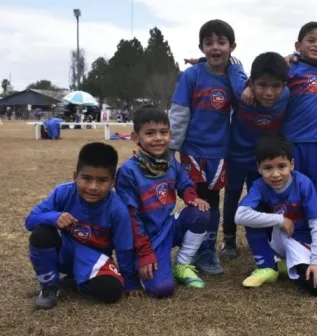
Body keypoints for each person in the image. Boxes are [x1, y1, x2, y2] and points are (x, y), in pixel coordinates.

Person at [169, 19, 247, 275]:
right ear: (201, 47)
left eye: (221, 42)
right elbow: (179, 113)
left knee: (213, 201)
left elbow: (242, 105)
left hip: (220, 152)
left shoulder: (234, 77)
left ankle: (207, 251)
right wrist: (171, 148)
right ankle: (192, 250)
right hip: (193, 150)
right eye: (209, 43)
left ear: (232, 46)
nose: (215, 48)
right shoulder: (192, 75)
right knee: (197, 199)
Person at [25, 142, 135, 309]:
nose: (93, 187)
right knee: (41, 234)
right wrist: (55, 217)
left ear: (112, 182)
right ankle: (49, 287)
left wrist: (130, 281)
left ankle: (74, 281)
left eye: (102, 180)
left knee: (110, 292)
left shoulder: (117, 209)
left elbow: (124, 248)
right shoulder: (63, 192)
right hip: (65, 253)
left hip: (94, 259)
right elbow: (30, 220)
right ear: (75, 176)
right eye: (86, 178)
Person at [116, 106, 211, 298]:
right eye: (150, 133)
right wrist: (144, 253)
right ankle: (141, 268)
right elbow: (130, 218)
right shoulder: (128, 171)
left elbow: (185, 184)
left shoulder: (171, 162)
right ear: (136, 137)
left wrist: (192, 198)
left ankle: (182, 264)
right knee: (162, 290)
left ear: (170, 134)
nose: (158, 138)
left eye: (163, 132)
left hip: (167, 227)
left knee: (201, 212)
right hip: (144, 238)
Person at [234, 132, 317, 295]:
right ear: (259, 168)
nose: (275, 174)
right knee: (254, 214)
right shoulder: (259, 185)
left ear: (291, 164)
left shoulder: (303, 183)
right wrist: (279, 219)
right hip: (279, 237)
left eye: (281, 166)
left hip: (304, 241)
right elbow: (240, 216)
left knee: (315, 286)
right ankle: (267, 266)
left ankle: (287, 264)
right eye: (268, 168)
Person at [221, 52, 289, 259]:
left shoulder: (287, 96)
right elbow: (232, 61)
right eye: (262, 85)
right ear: (251, 82)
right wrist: (247, 88)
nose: (269, 92)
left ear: (285, 86)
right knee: (232, 195)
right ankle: (229, 239)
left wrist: (293, 55)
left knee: (259, 198)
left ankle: (263, 238)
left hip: (262, 160)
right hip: (235, 156)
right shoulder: (241, 88)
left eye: (276, 86)